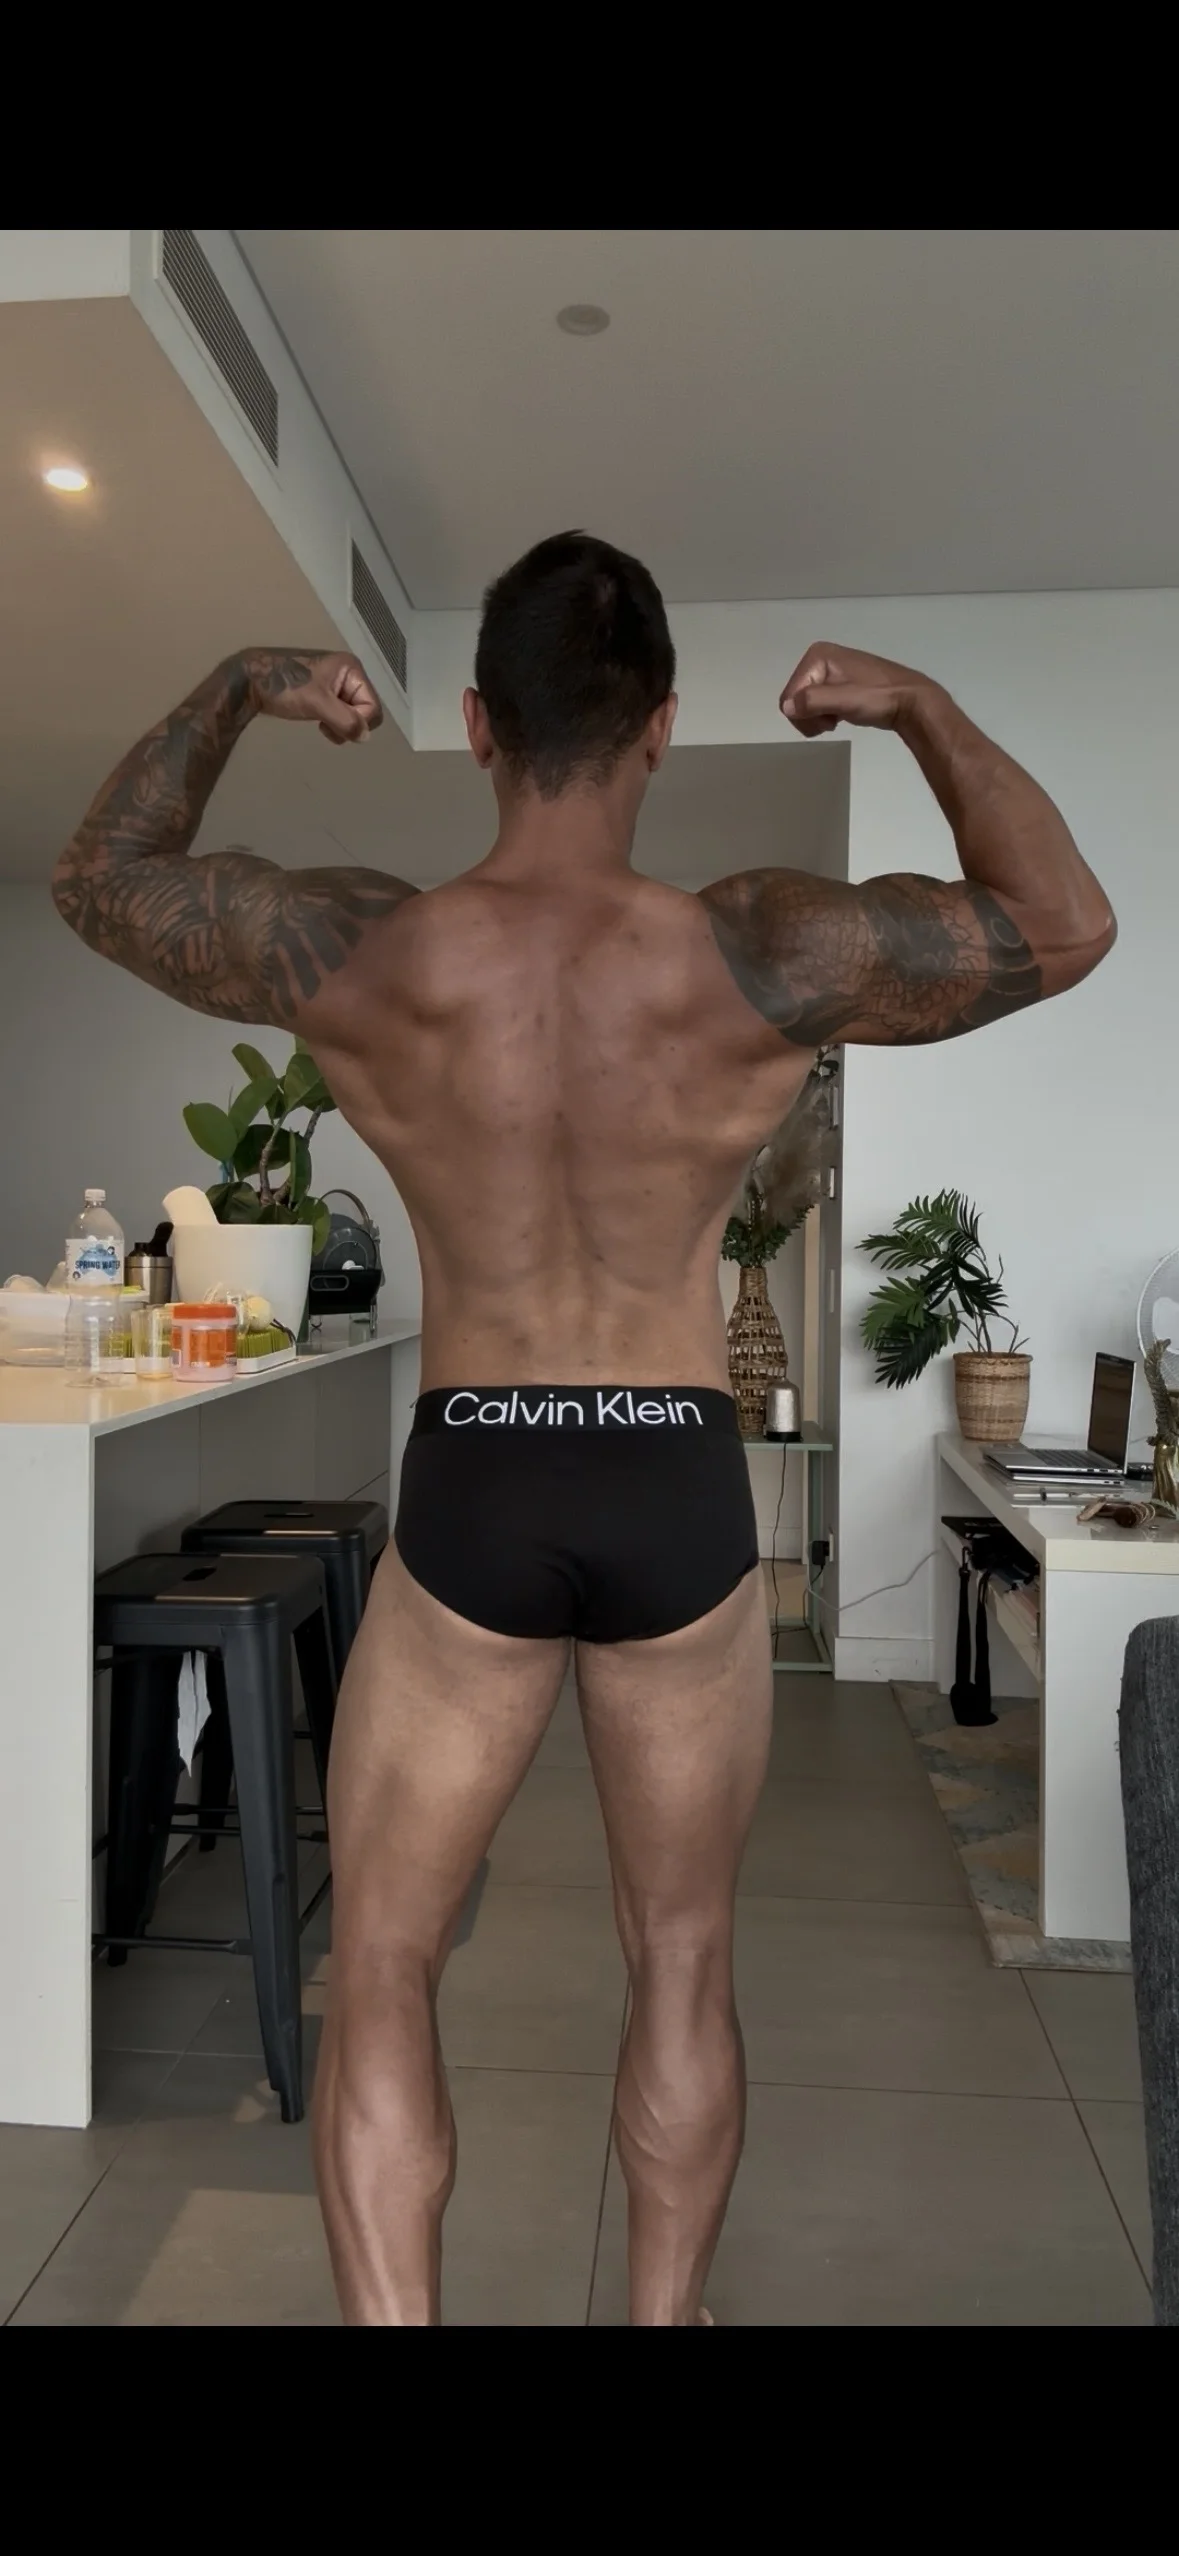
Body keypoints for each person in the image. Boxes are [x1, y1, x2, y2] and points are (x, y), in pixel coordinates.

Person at [53, 533, 1115, 2325]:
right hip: (670, 1473)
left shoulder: (372, 949)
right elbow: (1062, 922)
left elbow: (103, 876)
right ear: (662, 727)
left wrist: (243, 684)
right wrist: (917, 706)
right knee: (680, 1956)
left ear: (478, 723)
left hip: (479, 1463)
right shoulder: (755, 948)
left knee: (382, 1965)